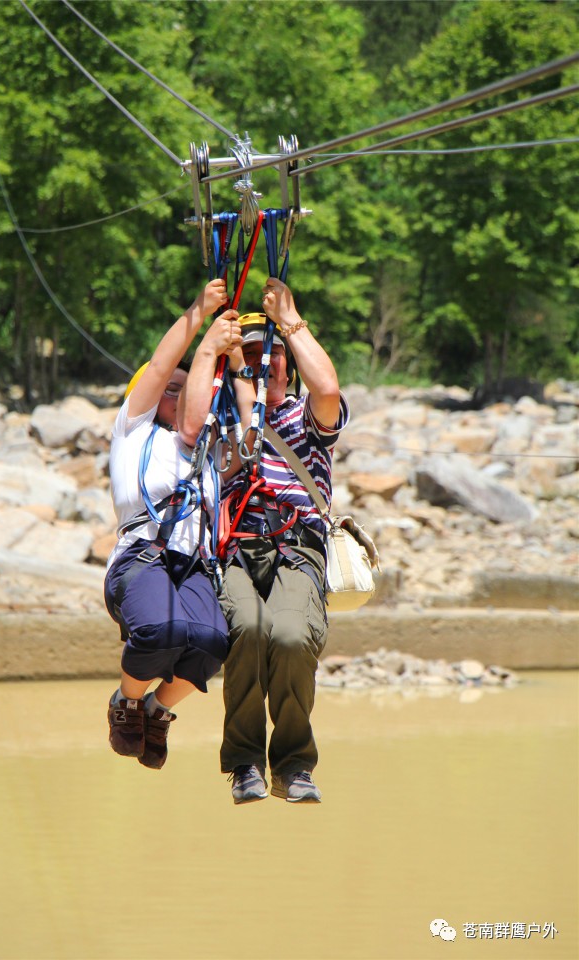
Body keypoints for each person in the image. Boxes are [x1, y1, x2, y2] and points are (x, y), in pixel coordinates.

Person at [180, 277, 349, 804]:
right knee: (248, 631)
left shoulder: (304, 417)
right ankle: (245, 762)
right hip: (238, 547)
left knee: (292, 636)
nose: (261, 361)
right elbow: (188, 422)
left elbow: (327, 389)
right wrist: (213, 345)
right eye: (250, 354)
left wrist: (290, 321)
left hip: (296, 549)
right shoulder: (223, 424)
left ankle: (294, 763)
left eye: (270, 354)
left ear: (287, 363)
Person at [104, 278, 255, 769]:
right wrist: (198, 315)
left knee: (212, 644)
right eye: (168, 389)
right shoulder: (133, 431)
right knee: (162, 630)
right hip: (141, 556)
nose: (174, 394)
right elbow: (163, 364)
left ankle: (156, 708)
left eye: (184, 391)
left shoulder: (206, 456)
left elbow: (249, 436)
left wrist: (236, 366)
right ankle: (125, 701)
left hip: (191, 566)